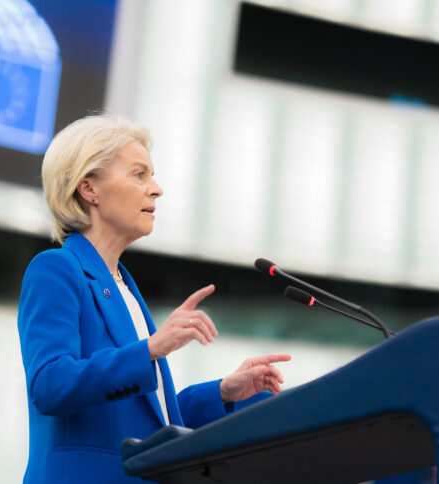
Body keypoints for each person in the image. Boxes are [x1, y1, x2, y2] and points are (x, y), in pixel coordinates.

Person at [18, 114, 291, 483]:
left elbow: (154, 414)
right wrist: (149, 349)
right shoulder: (56, 268)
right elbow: (50, 385)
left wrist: (224, 391)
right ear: (89, 188)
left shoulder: (125, 286)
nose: (157, 188)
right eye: (139, 173)